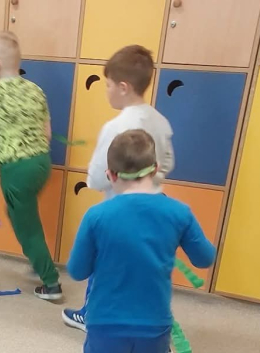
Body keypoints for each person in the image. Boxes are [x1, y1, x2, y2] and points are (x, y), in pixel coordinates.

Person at [66, 130, 213, 353]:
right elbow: (205, 258)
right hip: (153, 324)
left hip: (106, 322)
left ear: (110, 175)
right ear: (155, 169)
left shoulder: (97, 215)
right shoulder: (179, 212)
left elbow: (77, 271)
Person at [62, 45, 174, 332]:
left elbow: (99, 176)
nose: (107, 90)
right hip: (153, 206)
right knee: (142, 267)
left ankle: (92, 316)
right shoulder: (160, 121)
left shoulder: (117, 126)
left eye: (108, 85)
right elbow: (168, 162)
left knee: (104, 265)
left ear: (123, 87)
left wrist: (96, 181)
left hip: (119, 210)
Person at [0, 31, 61, 303]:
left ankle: (51, 283)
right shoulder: (36, 90)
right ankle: (37, 256)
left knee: (27, 227)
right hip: (41, 164)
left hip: (16, 170)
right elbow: (47, 133)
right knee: (20, 215)